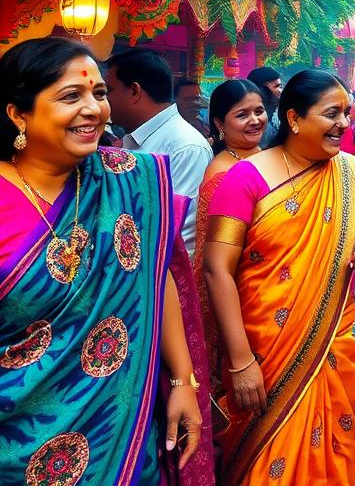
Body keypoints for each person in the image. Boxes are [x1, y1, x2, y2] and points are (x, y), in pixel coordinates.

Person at [0, 37, 208, 483]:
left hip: (120, 437)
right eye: (71, 96)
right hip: (14, 443)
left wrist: (183, 381)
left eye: (98, 93)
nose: (94, 110)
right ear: (18, 113)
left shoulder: (131, 179)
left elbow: (156, 282)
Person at [204, 70, 355, 486]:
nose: (344, 123)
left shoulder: (353, 172)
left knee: (334, 445)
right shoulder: (245, 177)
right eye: (331, 113)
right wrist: (242, 360)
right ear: (295, 118)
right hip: (266, 349)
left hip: (335, 336)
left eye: (346, 113)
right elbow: (216, 268)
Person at [192, 78, 267, 397]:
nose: (255, 120)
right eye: (243, 114)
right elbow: (211, 263)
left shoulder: (262, 156)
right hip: (241, 299)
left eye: (260, 110)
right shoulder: (222, 175)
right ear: (220, 123)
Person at [107, 48, 213, 256]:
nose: (100, 101)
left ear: (134, 91)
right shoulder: (131, 140)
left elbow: (177, 232)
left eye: (107, 91)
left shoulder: (185, 147)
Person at [247, 66, 283, 146]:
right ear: (262, 90)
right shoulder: (256, 120)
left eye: (281, 87)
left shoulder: (275, 113)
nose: (280, 91)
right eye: (277, 86)